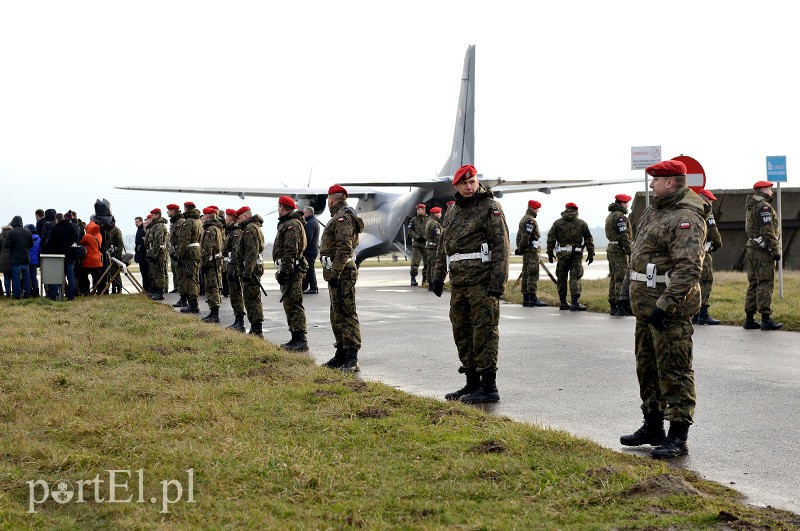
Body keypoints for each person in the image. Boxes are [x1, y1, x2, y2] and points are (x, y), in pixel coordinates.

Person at [620, 159, 705, 459]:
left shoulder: (686, 217)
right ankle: (652, 426)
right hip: (644, 308)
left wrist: (665, 305)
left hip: (669, 311)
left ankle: (677, 437)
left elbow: (689, 268)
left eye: (656, 180)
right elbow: (637, 257)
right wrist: (624, 292)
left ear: (671, 182)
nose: (651, 184)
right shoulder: (653, 211)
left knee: (674, 370)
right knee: (648, 369)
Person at [430, 164, 509, 404]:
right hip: (459, 285)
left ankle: (489, 388)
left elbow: (501, 247)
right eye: (464, 183)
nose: (469, 186)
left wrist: (498, 282)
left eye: (472, 181)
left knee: (484, 332)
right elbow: (445, 246)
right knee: (462, 332)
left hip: (482, 283)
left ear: (477, 182)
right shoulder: (451, 211)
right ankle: (472, 383)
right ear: (456, 186)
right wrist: (437, 275)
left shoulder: (490, 208)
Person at [319, 185, 364, 371]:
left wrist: (336, 272)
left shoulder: (342, 218)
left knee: (346, 313)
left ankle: (352, 358)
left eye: (329, 198)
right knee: (336, 314)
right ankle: (341, 354)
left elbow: (344, 247)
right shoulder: (338, 217)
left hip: (342, 272)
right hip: (337, 271)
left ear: (331, 199)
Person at [743, 181, 783, 330]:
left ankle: (749, 318)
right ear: (764, 190)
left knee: (753, 283)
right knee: (765, 282)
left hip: (752, 248)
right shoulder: (763, 207)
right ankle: (766, 319)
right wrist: (775, 250)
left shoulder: (751, 206)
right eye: (770, 189)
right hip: (762, 250)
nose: (772, 192)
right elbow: (767, 231)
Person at [273, 196, 309, 351]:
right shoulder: (288, 223)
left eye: (278, 207)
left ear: (282, 207)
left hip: (291, 271)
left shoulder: (291, 225)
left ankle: (300, 340)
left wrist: (285, 270)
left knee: (294, 304)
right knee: (290, 304)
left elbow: (290, 250)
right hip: (289, 269)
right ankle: (295, 337)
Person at [546, 202, 594, 311]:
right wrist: (591, 253)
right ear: (576, 211)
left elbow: (551, 238)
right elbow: (588, 239)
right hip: (576, 255)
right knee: (575, 277)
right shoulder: (581, 223)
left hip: (562, 255)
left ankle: (563, 302)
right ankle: (574, 303)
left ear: (566, 209)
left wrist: (549, 252)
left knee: (561, 277)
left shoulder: (557, 223)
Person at [235, 206, 265, 336]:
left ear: (246, 216)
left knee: (252, 299)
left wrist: (247, 272)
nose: (238, 221)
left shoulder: (249, 229)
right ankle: (255, 327)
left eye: (240, 217)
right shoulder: (252, 228)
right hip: (252, 268)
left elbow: (251, 252)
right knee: (251, 298)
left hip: (251, 270)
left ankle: (257, 329)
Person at [694, 189, 722, 325]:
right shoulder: (706, 210)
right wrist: (717, 244)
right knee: (706, 280)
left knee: (693, 281)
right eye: (710, 200)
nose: (711, 203)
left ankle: (693, 313)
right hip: (703, 253)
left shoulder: (689, 208)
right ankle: (703, 313)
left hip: (688, 252)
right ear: (705, 199)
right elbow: (713, 231)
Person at [515, 199, 547, 307]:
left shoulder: (524, 219)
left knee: (525, 274)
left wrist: (520, 249)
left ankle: (526, 299)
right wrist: (520, 248)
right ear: (532, 209)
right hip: (531, 251)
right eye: (537, 209)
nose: (538, 211)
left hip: (526, 251)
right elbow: (525, 236)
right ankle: (532, 298)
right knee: (532, 274)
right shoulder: (530, 220)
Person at [605, 193, 632, 316]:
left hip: (611, 248)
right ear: (622, 203)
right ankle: (620, 305)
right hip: (618, 250)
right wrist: (629, 250)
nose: (628, 206)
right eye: (626, 203)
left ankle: (613, 305)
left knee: (613, 278)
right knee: (620, 278)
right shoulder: (620, 217)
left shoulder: (610, 216)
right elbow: (623, 236)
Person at [177, 201, 203, 314]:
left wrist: (179, 254)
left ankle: (193, 304)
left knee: (190, 278)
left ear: (186, 209)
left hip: (189, 252)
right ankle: (193, 302)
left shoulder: (188, 222)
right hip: (197, 251)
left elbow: (184, 240)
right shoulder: (199, 221)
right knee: (195, 277)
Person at [222, 208, 246, 332]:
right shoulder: (231, 232)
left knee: (236, 295)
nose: (225, 220)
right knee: (233, 295)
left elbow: (236, 251)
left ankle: (240, 322)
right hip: (231, 266)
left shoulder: (236, 232)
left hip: (234, 267)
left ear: (231, 218)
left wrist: (233, 268)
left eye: (227, 217)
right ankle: (238, 320)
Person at [200, 206, 224, 323]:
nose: (202, 218)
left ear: (208, 216)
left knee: (212, 287)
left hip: (210, 263)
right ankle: (213, 313)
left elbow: (207, 249)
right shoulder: (217, 228)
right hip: (215, 261)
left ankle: (214, 314)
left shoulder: (210, 230)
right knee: (214, 286)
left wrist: (202, 264)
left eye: (204, 216)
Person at [46, 212, 78, 300]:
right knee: (70, 277)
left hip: (58, 256)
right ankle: (71, 296)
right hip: (69, 255)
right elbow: (75, 240)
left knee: (56, 277)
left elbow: (51, 243)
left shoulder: (55, 229)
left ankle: (53, 295)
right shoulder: (71, 227)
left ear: (56, 219)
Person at [145, 208, 169, 300]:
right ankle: (156, 291)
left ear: (157, 215)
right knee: (155, 273)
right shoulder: (155, 225)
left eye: (153, 215)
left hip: (159, 252)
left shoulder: (159, 226)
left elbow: (158, 241)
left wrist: (153, 254)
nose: (151, 216)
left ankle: (160, 292)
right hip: (156, 252)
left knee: (159, 272)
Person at [7, 216, 33, 299]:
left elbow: (7, 245)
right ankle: (27, 294)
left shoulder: (11, 232)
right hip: (25, 258)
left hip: (15, 258)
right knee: (26, 277)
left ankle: (17, 296)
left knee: (16, 278)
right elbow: (31, 244)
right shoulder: (28, 231)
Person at [78, 221, 103, 295]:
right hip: (98, 260)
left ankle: (86, 291)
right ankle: (96, 290)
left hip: (88, 260)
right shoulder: (99, 235)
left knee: (84, 276)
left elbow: (81, 243)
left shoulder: (87, 236)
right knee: (96, 277)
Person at [166, 203, 185, 299]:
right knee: (177, 273)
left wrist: (178, 252)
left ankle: (185, 298)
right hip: (175, 251)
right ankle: (182, 296)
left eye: (169, 210)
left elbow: (180, 238)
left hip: (179, 251)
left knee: (182, 275)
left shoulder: (180, 222)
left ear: (173, 211)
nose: (167, 212)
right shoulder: (175, 222)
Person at [407, 203, 428, 286]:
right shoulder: (413, 220)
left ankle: (425, 279)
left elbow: (431, 230)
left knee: (427, 262)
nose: (418, 211)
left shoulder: (429, 219)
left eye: (419, 209)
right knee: (415, 262)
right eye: (417, 209)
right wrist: (417, 237)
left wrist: (425, 237)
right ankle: (413, 278)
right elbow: (410, 230)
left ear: (423, 210)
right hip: (417, 244)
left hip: (426, 244)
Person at [423, 207, 443, 292]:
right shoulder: (435, 224)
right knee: (434, 266)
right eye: (439, 213)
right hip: (434, 248)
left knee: (429, 265)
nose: (440, 214)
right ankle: (433, 283)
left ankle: (430, 283)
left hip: (429, 247)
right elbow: (437, 237)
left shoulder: (429, 222)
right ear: (436, 214)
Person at [302, 206, 320, 294]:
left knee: (310, 269)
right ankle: (307, 286)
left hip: (309, 250)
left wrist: (302, 246)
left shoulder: (310, 223)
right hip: (313, 250)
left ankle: (313, 287)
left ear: (308, 213)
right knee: (309, 268)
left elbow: (308, 238)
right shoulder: (314, 221)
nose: (303, 215)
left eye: (304, 213)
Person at [134, 216, 150, 293]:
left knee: (145, 273)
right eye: (135, 222)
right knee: (143, 273)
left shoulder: (143, 230)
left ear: (141, 221)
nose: (135, 224)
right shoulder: (139, 230)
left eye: (137, 222)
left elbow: (144, 244)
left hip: (144, 256)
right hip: (141, 255)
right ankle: (145, 288)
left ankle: (146, 289)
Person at [26, 224, 41, 297]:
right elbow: (39, 250)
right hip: (35, 260)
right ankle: (36, 292)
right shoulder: (39, 239)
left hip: (27, 260)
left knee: (27, 277)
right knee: (34, 277)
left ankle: (28, 292)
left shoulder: (27, 238)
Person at [0, 224, 11, 296]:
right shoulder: (12, 235)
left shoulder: (0, 236)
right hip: (12, 258)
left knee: (6, 277)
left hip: (3, 259)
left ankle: (8, 293)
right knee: (14, 277)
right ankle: (16, 293)